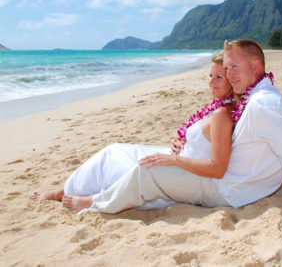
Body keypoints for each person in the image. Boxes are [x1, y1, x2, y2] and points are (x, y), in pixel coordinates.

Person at [30, 52, 235, 212]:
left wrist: (175, 160)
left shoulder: (222, 116)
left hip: (184, 171)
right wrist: (180, 139)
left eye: (218, 77)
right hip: (181, 157)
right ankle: (66, 191)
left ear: (232, 81)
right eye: (210, 76)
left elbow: (217, 167)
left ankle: (73, 196)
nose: (211, 82)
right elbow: (203, 139)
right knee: (114, 151)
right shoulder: (217, 109)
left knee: (124, 167)